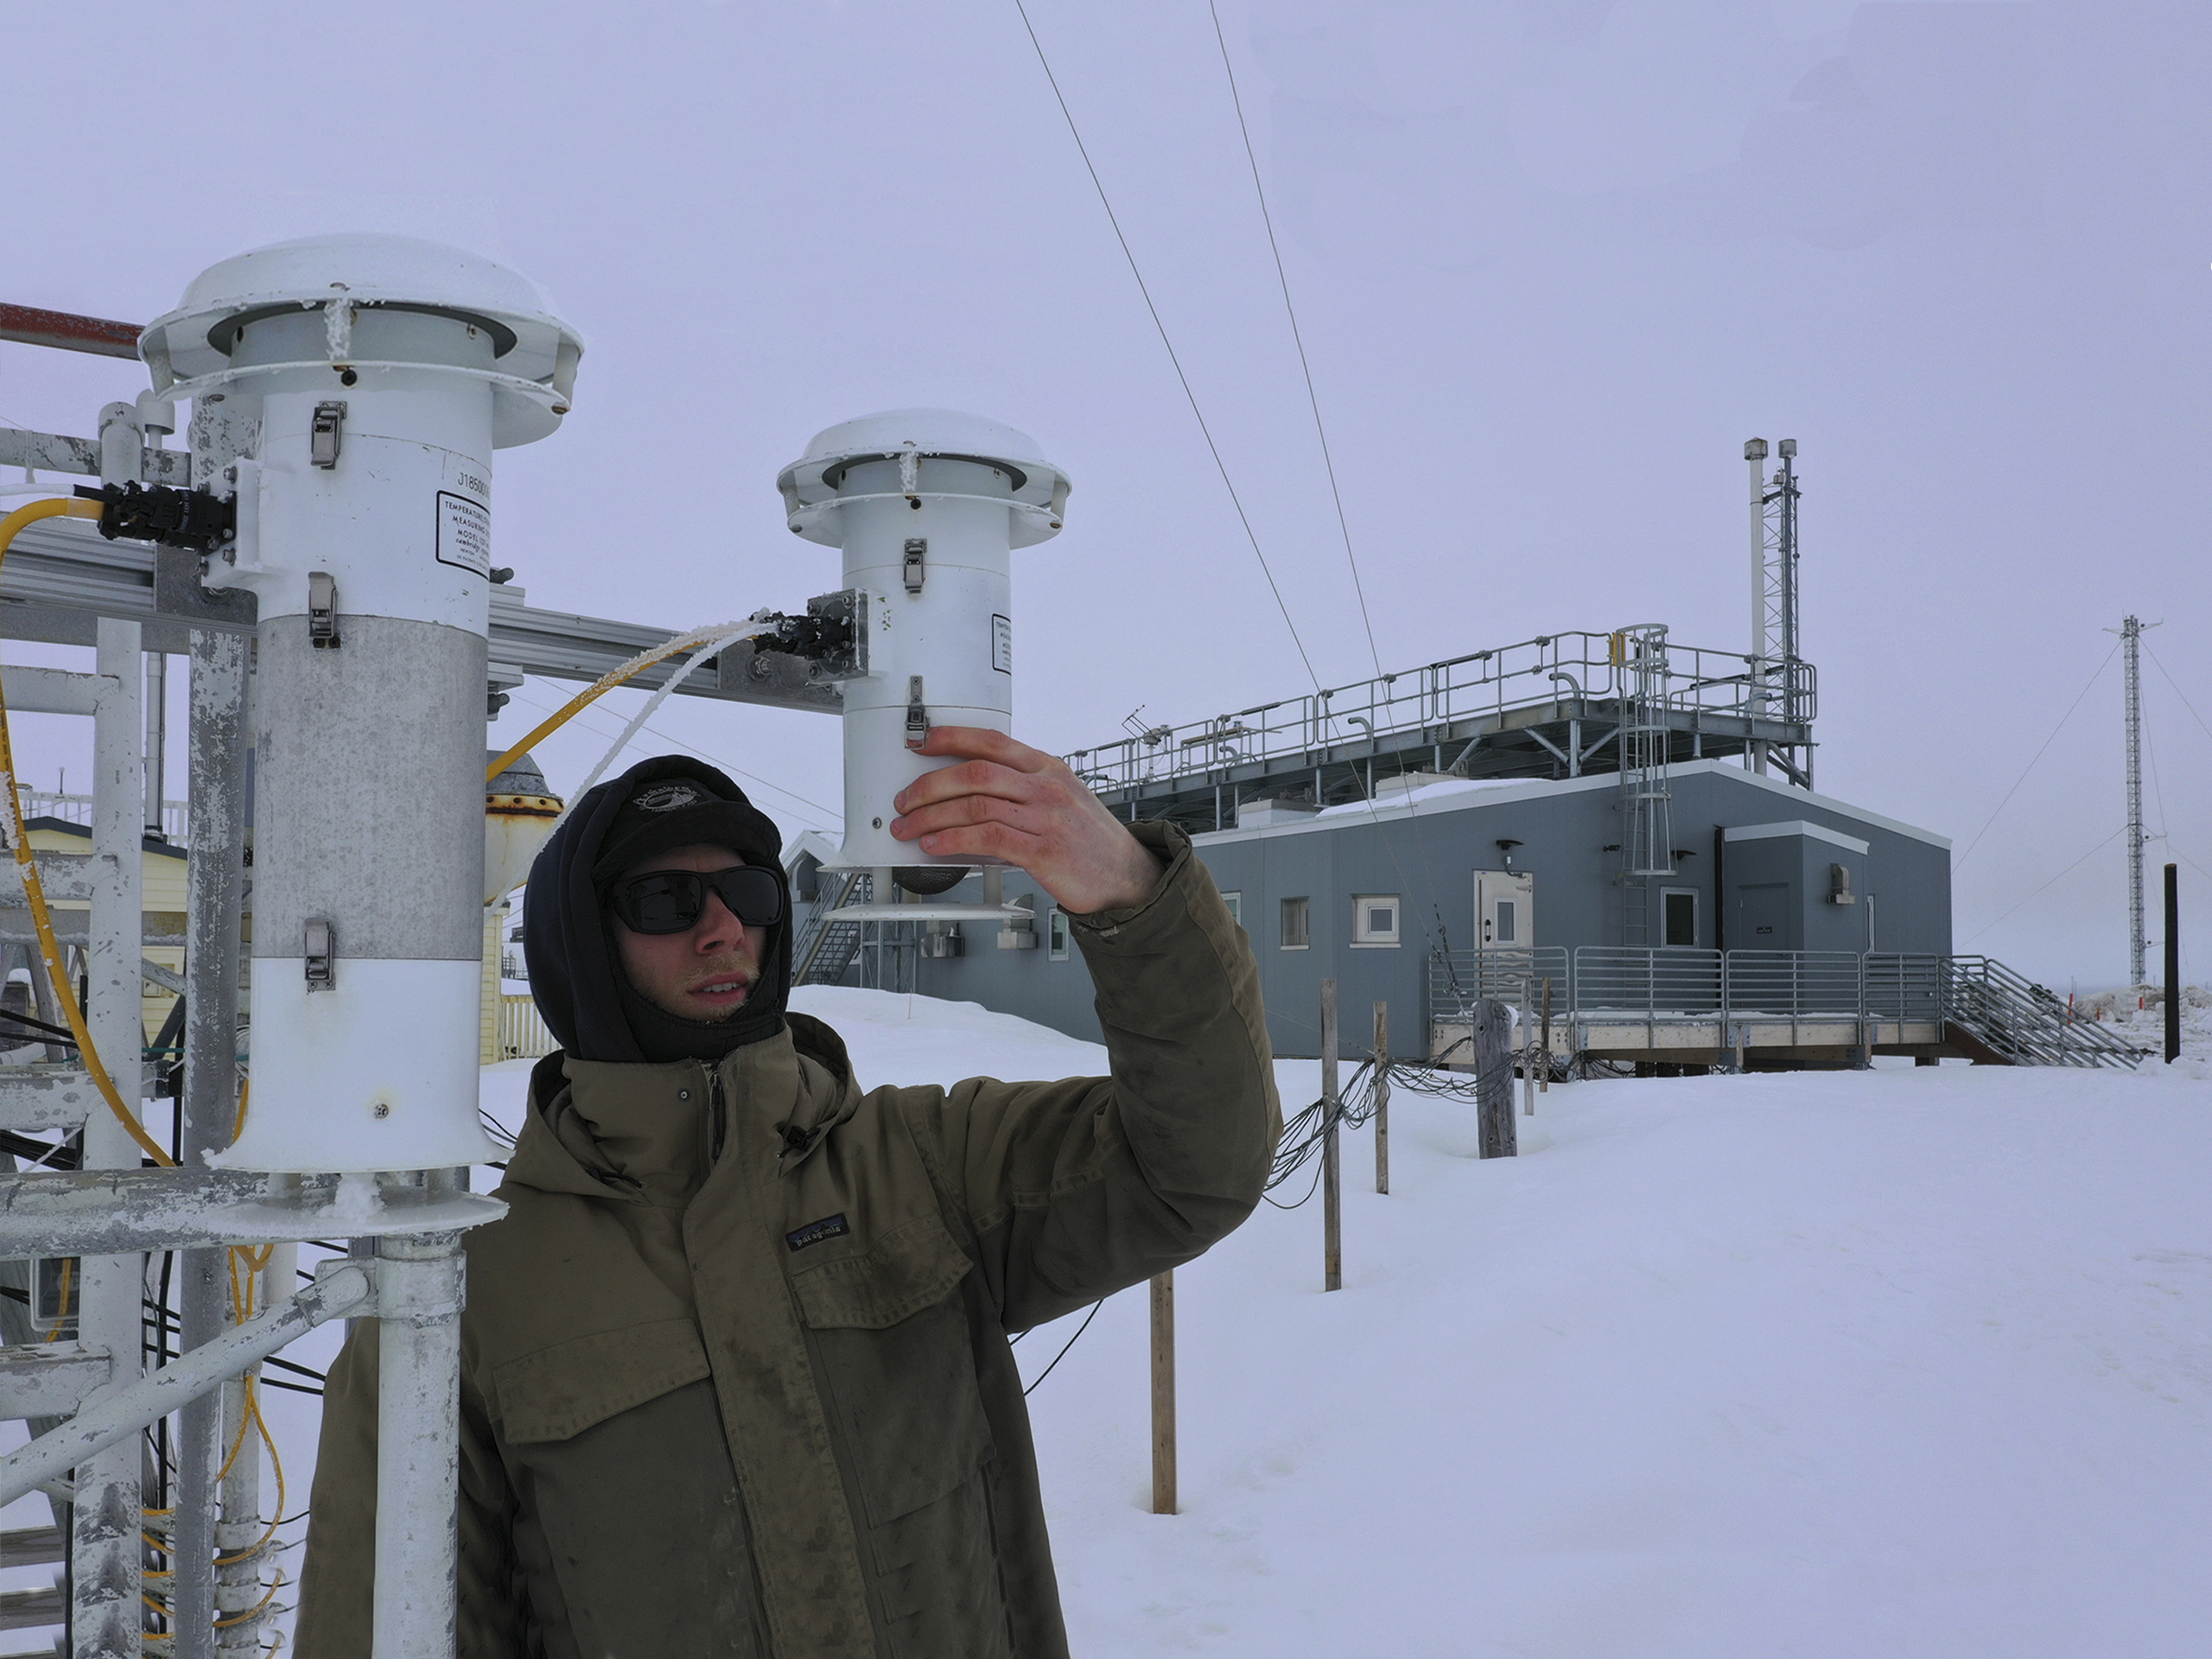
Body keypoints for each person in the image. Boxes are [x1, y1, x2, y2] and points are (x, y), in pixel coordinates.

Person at [295, 727, 1281, 1658]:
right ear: (580, 946)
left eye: (749, 894)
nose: (725, 930)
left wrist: (1130, 896)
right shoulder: (462, 1301)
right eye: (666, 903)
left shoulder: (923, 1165)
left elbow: (1195, 1166)